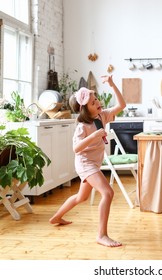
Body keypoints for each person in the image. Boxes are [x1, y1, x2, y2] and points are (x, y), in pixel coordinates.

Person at [49, 75, 126, 247]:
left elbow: (122, 105)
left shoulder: (102, 116)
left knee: (81, 197)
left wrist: (113, 84)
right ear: (85, 109)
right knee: (108, 193)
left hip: (94, 163)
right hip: (85, 164)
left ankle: (57, 217)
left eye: (96, 99)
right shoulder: (82, 127)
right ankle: (102, 235)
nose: (98, 102)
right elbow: (76, 149)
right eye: (93, 103)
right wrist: (94, 135)